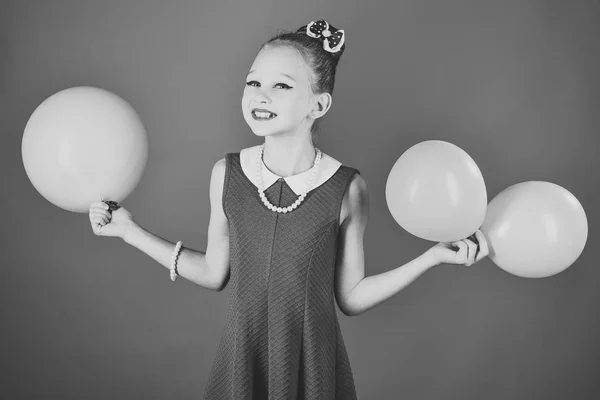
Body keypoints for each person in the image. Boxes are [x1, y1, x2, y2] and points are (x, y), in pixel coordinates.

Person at [88, 19, 489, 400]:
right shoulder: (227, 174)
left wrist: (431, 258)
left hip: (312, 362)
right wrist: (128, 231)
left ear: (319, 104)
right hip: (242, 357)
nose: (261, 95)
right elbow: (214, 272)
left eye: (281, 85)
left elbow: (350, 297)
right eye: (253, 82)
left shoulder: (346, 187)